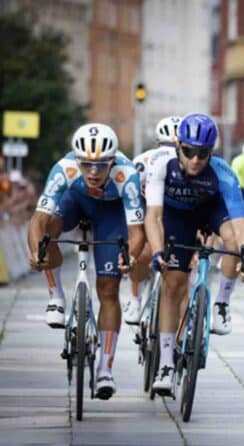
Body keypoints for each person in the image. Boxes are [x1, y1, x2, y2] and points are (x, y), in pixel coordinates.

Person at [27, 123, 146, 399]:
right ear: (77, 160)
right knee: (48, 232)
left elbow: (136, 231)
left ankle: (105, 369)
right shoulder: (64, 169)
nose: (93, 172)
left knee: (108, 289)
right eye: (87, 165)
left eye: (101, 166)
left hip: (111, 215)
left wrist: (129, 256)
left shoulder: (126, 176)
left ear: (112, 161)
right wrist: (37, 252)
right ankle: (55, 296)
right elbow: (38, 219)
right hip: (75, 202)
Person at [145, 113, 244, 394]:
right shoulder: (161, 165)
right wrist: (158, 251)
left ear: (212, 151)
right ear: (178, 145)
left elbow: (242, 225)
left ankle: (221, 303)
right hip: (176, 217)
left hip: (210, 211)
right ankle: (166, 364)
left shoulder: (222, 171)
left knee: (232, 240)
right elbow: (154, 216)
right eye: (189, 151)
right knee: (173, 285)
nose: (195, 159)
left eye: (203, 153)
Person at [122, 115, 181, 325]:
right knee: (142, 253)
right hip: (146, 207)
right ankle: (135, 297)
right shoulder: (142, 162)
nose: (170, 152)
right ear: (157, 144)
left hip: (174, 211)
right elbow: (130, 195)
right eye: (166, 146)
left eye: (176, 147)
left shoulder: (190, 164)